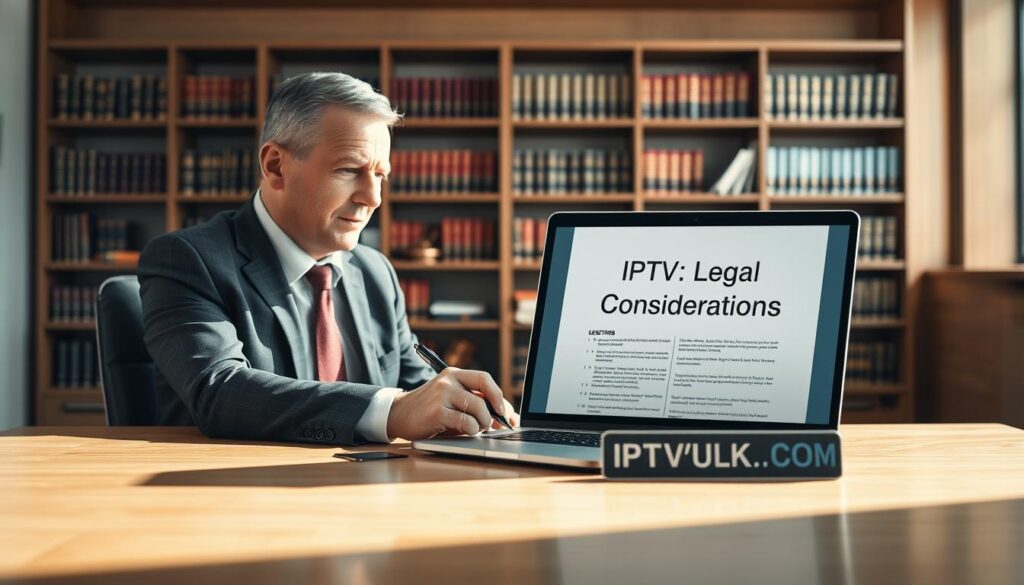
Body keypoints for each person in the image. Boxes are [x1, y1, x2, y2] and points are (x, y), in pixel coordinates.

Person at [138, 72, 518, 445]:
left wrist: (465, 407)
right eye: (350, 170)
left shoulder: (375, 272)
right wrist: (394, 410)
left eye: (380, 176)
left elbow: (418, 387)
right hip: (237, 494)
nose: (373, 198)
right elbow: (219, 391)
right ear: (275, 166)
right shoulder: (187, 260)